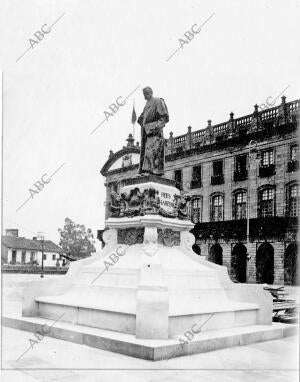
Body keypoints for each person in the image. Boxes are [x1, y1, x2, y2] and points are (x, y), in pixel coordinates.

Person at [138, 87, 169, 176]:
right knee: (146, 153)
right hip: (146, 134)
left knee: (152, 152)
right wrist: (141, 120)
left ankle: (150, 171)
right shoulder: (146, 105)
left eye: (146, 94)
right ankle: (145, 171)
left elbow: (164, 118)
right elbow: (143, 118)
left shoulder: (158, 101)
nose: (145, 97)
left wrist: (154, 128)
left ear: (151, 93)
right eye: (144, 95)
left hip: (155, 134)